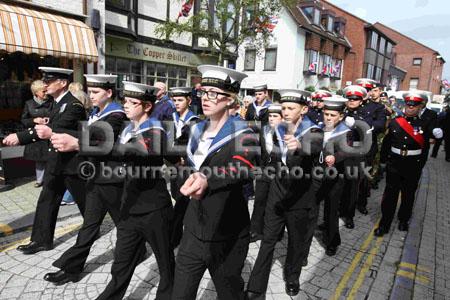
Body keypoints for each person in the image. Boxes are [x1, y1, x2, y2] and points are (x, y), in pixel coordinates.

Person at [171, 65, 257, 299]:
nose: (205, 98)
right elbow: (172, 154)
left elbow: (242, 167)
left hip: (226, 232)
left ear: (230, 100)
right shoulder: (195, 128)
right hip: (193, 229)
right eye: (203, 91)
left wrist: (208, 177)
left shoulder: (245, 133)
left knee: (229, 293)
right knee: (180, 293)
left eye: (213, 93)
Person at [43, 74, 128, 285]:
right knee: (90, 226)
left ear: (109, 93)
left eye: (96, 92)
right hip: (96, 179)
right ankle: (72, 269)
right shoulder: (97, 112)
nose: (91, 95)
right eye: (90, 91)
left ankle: (142, 252)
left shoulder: (117, 115)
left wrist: (76, 143)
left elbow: (102, 140)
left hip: (112, 180)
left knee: (126, 224)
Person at [96, 81, 175, 299]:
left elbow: (133, 151)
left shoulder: (156, 131)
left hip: (154, 210)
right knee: (121, 263)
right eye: (125, 101)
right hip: (129, 208)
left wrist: (79, 143)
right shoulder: (128, 128)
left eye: (133, 102)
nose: (126, 105)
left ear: (147, 106)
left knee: (165, 263)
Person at [246, 89, 322, 298]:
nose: (285, 112)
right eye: (284, 108)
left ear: (304, 109)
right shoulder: (277, 130)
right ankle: (256, 285)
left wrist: (298, 146)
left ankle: (292, 277)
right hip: (277, 193)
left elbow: (314, 146)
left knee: (295, 242)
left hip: (299, 197)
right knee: (268, 240)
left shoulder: (313, 131)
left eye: (291, 108)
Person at [3, 67, 87, 255]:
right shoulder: (55, 104)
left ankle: (92, 232)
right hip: (56, 162)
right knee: (46, 200)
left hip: (72, 165)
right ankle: (41, 241)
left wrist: (20, 136)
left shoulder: (73, 105)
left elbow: (55, 128)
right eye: (45, 81)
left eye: (50, 81)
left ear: (63, 83)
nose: (45, 84)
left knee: (87, 204)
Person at [374, 91, 442, 236]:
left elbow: (428, 143)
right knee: (390, 195)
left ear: (419, 107)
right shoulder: (395, 122)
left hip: (413, 164)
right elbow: (386, 143)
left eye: (414, 106)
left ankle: (404, 219)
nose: (410, 108)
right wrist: (383, 162)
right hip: (395, 163)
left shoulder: (424, 124)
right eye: (408, 105)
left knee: (408, 194)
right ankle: (384, 223)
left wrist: (437, 133)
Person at [316, 96, 352, 256]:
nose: (329, 118)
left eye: (332, 115)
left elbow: (346, 150)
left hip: (334, 176)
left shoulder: (346, 132)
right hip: (316, 175)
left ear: (341, 116)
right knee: (311, 206)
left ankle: (332, 242)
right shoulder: (318, 128)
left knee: (331, 210)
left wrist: (335, 157)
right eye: (326, 114)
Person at [168, 86, 200, 249]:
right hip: (173, 165)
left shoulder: (195, 121)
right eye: (174, 100)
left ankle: (178, 236)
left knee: (182, 200)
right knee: (176, 196)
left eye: (180, 100)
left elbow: (196, 146)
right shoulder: (170, 117)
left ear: (189, 100)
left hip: (187, 166)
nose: (177, 103)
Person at [340, 85, 372, 229]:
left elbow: (369, 128)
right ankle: (336, 213)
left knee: (352, 187)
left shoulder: (365, 114)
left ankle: (349, 216)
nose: (352, 101)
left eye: (355, 99)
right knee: (338, 186)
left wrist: (357, 124)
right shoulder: (341, 112)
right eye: (350, 99)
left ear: (361, 101)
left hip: (355, 153)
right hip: (340, 152)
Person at [250, 104, 283, 242]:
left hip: (279, 171)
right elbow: (258, 149)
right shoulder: (263, 130)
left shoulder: (287, 132)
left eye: (275, 116)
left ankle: (276, 231)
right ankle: (255, 230)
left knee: (275, 202)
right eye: (270, 116)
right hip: (264, 168)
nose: (272, 119)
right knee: (259, 199)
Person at [21, 80, 52, 188]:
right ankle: (40, 180)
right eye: (43, 91)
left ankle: (50, 179)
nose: (46, 93)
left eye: (46, 91)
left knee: (51, 158)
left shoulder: (52, 102)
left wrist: (50, 119)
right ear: (36, 92)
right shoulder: (28, 104)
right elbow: (24, 120)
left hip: (49, 134)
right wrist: (34, 120)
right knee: (39, 159)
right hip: (36, 136)